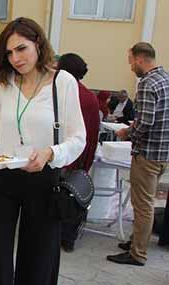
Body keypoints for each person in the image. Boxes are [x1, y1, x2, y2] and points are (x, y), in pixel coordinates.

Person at [0, 17, 85, 285]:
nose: (15, 58)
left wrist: (51, 153)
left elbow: (78, 139)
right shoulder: (4, 83)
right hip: (3, 180)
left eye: (21, 49)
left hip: (43, 180)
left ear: (39, 44)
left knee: (38, 261)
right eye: (9, 53)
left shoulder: (63, 83)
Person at [109, 42, 169, 266]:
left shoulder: (147, 83)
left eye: (131, 61)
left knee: (143, 205)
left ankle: (137, 253)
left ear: (141, 59)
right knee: (147, 203)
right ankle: (136, 241)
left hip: (147, 153)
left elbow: (145, 122)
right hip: (163, 154)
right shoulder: (165, 79)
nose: (130, 66)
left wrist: (127, 132)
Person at [57, 53, 100, 252]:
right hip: (79, 159)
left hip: (61, 157)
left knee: (58, 199)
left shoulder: (64, 91)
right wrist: (86, 162)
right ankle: (68, 238)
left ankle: (57, 236)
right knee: (72, 200)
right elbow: (92, 134)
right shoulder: (90, 96)